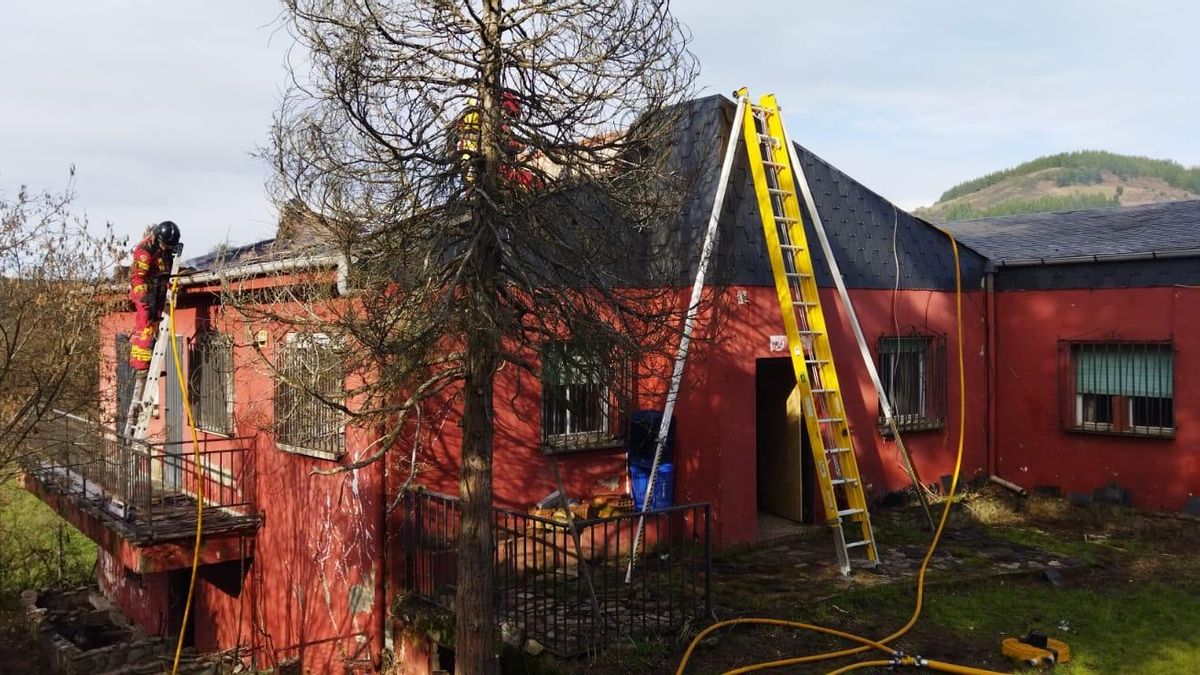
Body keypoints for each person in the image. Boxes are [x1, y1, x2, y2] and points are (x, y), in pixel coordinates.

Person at [128, 221, 180, 374]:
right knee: (146, 325)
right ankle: (141, 366)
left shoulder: (163, 249)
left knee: (155, 324)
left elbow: (166, 268)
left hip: (157, 290)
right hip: (144, 291)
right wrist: (145, 298)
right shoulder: (145, 251)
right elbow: (137, 278)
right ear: (158, 238)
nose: (168, 248)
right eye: (166, 245)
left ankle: (150, 363)